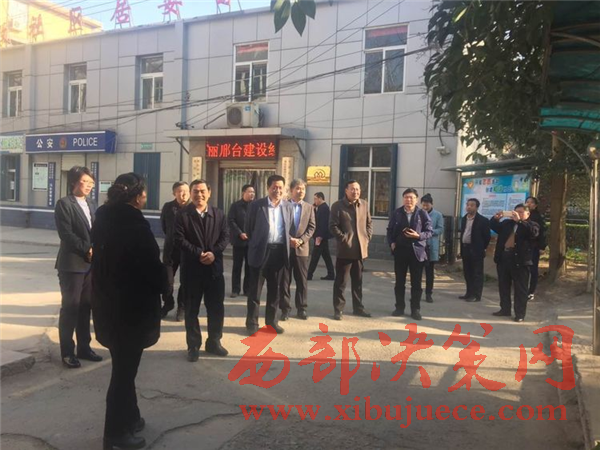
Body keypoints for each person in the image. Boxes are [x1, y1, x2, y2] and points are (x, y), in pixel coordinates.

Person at [91, 173, 167, 450]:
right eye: (144, 192)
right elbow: (151, 268)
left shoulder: (103, 218)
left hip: (108, 307)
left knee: (124, 369)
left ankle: (131, 417)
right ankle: (115, 434)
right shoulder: (134, 225)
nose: (146, 196)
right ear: (137, 196)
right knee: (123, 375)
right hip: (130, 312)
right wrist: (166, 285)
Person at [174, 179, 229, 362]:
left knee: (216, 309)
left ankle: (214, 342)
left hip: (214, 270)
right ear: (191, 193)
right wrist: (199, 253)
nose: (199, 194)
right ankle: (193, 345)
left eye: (203, 191)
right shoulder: (182, 215)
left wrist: (213, 253)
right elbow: (179, 239)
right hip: (192, 271)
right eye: (195, 191)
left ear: (209, 193)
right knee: (191, 310)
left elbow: (225, 237)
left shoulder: (218, 214)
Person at [54, 166, 102, 369]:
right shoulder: (64, 204)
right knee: (70, 308)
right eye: (85, 182)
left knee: (85, 307)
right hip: (72, 264)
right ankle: (67, 352)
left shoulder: (91, 204)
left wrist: (97, 247)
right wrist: (87, 248)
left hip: (89, 265)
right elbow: (66, 234)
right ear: (74, 182)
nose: (89, 186)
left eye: (91, 183)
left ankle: (84, 347)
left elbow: (96, 230)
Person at [245, 175, 294, 335]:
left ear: (284, 189)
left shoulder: (288, 206)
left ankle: (272, 323)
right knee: (255, 291)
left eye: (280, 187)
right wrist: (257, 243)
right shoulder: (257, 205)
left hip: (279, 252)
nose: (277, 190)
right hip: (260, 251)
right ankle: (252, 323)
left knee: (275, 290)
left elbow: (290, 228)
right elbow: (249, 228)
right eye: (274, 187)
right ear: (268, 188)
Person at [387, 188, 433, 320]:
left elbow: (429, 231)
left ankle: (415, 309)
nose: (408, 200)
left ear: (416, 200)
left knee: (416, 283)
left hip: (416, 252)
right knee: (399, 281)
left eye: (411, 197)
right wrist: (391, 243)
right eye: (406, 197)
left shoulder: (422, 213)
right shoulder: (397, 213)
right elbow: (390, 230)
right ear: (403, 199)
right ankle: (399, 307)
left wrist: (418, 236)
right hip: (400, 251)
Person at [329, 180, 373, 320]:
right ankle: (338, 309)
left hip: (360, 250)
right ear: (346, 190)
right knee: (341, 282)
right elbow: (333, 226)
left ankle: (358, 308)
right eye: (352, 189)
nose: (356, 192)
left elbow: (369, 223)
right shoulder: (337, 206)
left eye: (358, 189)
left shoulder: (364, 204)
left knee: (358, 282)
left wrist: (367, 238)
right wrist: (344, 239)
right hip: (345, 251)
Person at [490, 204, 540, 322]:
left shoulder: (532, 225)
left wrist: (520, 221)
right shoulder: (507, 223)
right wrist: (495, 219)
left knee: (520, 289)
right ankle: (505, 309)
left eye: (521, 212)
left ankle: (520, 314)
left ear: (528, 214)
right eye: (515, 212)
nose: (517, 214)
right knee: (503, 286)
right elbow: (495, 227)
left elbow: (533, 233)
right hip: (504, 258)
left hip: (520, 261)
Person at [281, 179, 316, 321]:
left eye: (303, 189)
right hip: (286, 248)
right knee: (284, 281)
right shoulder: (283, 205)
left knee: (302, 281)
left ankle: (302, 308)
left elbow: (312, 227)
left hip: (302, 249)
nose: (301, 191)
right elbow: (280, 225)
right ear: (291, 190)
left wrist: (301, 240)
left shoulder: (309, 207)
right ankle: (285, 309)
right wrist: (290, 239)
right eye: (298, 188)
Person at [159, 181, 190, 321]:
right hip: (170, 250)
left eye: (186, 191)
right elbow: (164, 227)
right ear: (174, 193)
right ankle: (168, 303)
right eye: (180, 191)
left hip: (187, 251)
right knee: (166, 281)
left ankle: (181, 307)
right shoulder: (168, 207)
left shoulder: (192, 208)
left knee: (185, 281)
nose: (183, 194)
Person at [459, 198, 491, 302]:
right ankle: (469, 293)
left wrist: (481, 247)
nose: (469, 207)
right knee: (467, 272)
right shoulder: (464, 219)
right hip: (465, 248)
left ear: (477, 207)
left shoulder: (483, 220)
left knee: (477, 273)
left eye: (472, 205)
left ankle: (476, 295)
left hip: (476, 250)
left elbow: (487, 237)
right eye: (468, 205)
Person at [228, 184, 255, 298]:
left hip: (251, 242)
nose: (252, 194)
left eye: (253, 192)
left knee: (249, 267)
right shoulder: (235, 206)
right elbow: (231, 221)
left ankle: (247, 290)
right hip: (239, 241)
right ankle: (235, 289)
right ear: (243, 193)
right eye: (249, 192)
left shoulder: (255, 206)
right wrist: (240, 233)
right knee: (237, 266)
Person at [420, 193, 445, 303]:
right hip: (420, 246)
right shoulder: (418, 213)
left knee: (429, 272)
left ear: (432, 204)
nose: (425, 207)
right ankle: (417, 292)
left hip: (430, 246)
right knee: (417, 272)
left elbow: (440, 229)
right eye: (423, 205)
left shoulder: (438, 215)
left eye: (427, 205)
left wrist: (429, 232)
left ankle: (428, 293)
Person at [307, 192, 335, 281]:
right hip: (321, 236)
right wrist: (314, 209)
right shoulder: (320, 208)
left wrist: (319, 236)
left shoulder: (324, 209)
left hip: (320, 237)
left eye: (315, 199)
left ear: (320, 198)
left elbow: (323, 224)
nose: (314, 200)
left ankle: (309, 274)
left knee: (315, 256)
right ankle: (331, 274)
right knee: (326, 257)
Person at [525, 196, 546, 300]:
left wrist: (542, 246)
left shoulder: (537, 217)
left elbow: (542, 233)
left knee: (533, 269)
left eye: (531, 202)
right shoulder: (523, 216)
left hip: (534, 247)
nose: (528, 204)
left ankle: (531, 291)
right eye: (527, 202)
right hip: (523, 247)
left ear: (535, 205)